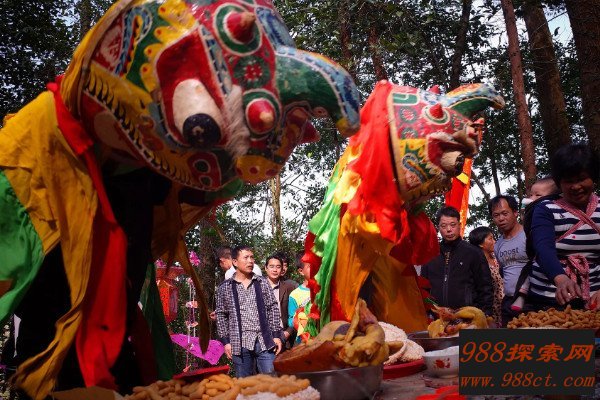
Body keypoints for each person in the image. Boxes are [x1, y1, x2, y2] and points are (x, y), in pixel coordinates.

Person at [528, 144, 600, 310]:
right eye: (568, 181)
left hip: (594, 299)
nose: (575, 186)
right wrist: (560, 278)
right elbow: (543, 248)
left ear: (593, 177)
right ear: (559, 183)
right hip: (548, 297)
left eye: (581, 179)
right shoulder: (546, 209)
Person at [215, 245, 283, 377]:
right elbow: (221, 315)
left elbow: (273, 308)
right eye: (246, 258)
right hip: (239, 343)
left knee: (271, 381)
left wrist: (276, 335)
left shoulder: (262, 282)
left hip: (264, 341)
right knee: (244, 384)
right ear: (235, 262)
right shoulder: (225, 287)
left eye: (252, 257)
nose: (250, 261)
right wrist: (226, 342)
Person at [421, 206, 493, 316]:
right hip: (438, 318)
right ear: (438, 228)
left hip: (468, 318)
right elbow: (423, 291)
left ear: (459, 225)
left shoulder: (473, 253)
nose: (449, 229)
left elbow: (485, 288)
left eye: (453, 225)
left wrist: (484, 315)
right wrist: (431, 309)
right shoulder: (430, 255)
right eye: (444, 226)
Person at [511, 177, 559, 311]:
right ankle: (521, 296)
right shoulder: (532, 210)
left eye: (538, 195)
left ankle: (521, 296)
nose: (532, 198)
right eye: (531, 194)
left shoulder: (546, 209)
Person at [488, 195, 531, 326]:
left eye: (505, 213)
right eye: (496, 215)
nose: (501, 218)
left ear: (515, 212)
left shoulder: (529, 235)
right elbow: (502, 272)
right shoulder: (498, 245)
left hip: (531, 300)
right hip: (508, 302)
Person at [468, 226, 503, 327]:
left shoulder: (496, 258)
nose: (494, 241)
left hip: (503, 306)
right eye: (490, 238)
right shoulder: (476, 265)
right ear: (480, 244)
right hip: (490, 309)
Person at [264, 255, 296, 349]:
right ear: (266, 268)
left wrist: (288, 332)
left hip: (284, 335)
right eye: (271, 266)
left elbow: (297, 311)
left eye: (278, 267)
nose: (275, 270)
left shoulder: (290, 287)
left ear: (282, 269)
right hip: (264, 336)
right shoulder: (257, 287)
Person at [288, 255, 312, 345]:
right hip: (304, 342)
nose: (316, 268)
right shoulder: (295, 295)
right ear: (301, 271)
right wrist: (301, 318)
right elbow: (291, 320)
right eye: (310, 266)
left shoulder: (325, 291)